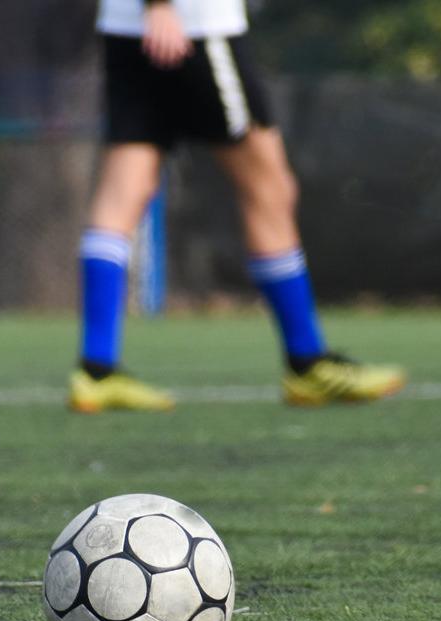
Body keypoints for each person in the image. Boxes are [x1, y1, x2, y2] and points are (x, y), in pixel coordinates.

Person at [69, 0, 406, 412]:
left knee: (126, 188)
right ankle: (306, 361)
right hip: (193, 26)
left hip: (125, 26)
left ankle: (96, 368)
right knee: (270, 187)